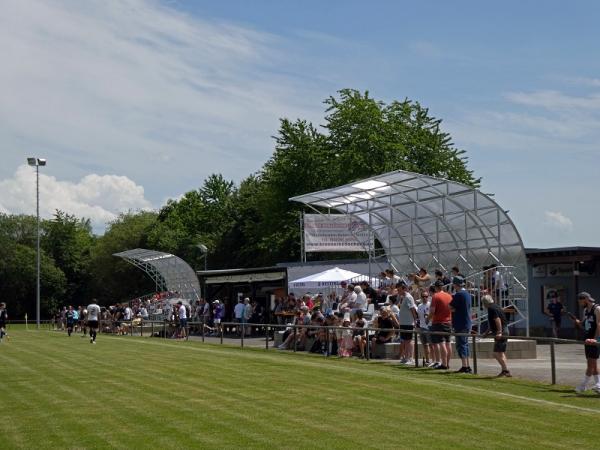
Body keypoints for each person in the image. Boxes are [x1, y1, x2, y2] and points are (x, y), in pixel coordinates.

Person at [571, 292, 600, 393]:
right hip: (587, 340)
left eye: (580, 301)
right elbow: (584, 326)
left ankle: (583, 386)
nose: (579, 303)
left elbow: (599, 324)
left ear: (585, 299)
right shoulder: (585, 310)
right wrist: (578, 323)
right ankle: (598, 385)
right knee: (593, 364)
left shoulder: (597, 309)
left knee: (590, 365)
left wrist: (596, 339)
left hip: (594, 340)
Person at [482, 294, 511, 377]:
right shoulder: (496, 306)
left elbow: (497, 320)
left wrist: (499, 332)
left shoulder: (491, 308)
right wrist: (487, 333)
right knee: (501, 353)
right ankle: (504, 371)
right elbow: (492, 324)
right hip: (504, 330)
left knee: (496, 353)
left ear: (485, 303)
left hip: (502, 331)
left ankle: (505, 370)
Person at [449, 277, 472, 373]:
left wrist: (454, 310)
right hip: (466, 322)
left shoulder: (459, 295)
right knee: (465, 344)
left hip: (460, 323)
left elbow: (450, 307)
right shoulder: (467, 294)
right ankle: (467, 365)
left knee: (461, 345)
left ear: (455, 285)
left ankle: (465, 366)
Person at [429, 280, 453, 369]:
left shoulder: (435, 296)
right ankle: (447, 363)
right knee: (448, 342)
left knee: (441, 343)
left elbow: (432, 311)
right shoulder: (449, 296)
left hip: (438, 322)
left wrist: (428, 319)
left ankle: (444, 364)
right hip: (448, 322)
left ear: (436, 287)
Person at [397, 282, 418, 364]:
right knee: (405, 341)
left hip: (408, 323)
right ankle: (406, 357)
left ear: (404, 289)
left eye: (399, 290)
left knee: (409, 341)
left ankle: (410, 358)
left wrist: (415, 320)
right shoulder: (404, 297)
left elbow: (412, 309)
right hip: (403, 323)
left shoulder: (409, 297)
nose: (398, 291)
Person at [417, 290, 432, 366]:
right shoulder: (419, 306)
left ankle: (435, 360)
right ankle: (427, 360)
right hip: (422, 327)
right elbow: (419, 317)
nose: (425, 298)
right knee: (425, 345)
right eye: (423, 296)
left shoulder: (430, 305)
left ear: (428, 297)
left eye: (426, 296)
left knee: (431, 345)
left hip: (429, 327)